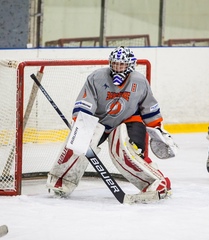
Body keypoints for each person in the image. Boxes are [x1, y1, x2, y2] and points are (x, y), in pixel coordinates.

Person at [46, 46, 177, 199]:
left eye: (122, 64)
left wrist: (156, 128)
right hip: (98, 121)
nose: (118, 67)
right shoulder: (97, 77)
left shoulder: (139, 81)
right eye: (115, 63)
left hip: (128, 121)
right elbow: (85, 102)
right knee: (77, 144)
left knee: (127, 152)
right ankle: (61, 182)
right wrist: (82, 127)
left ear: (130, 65)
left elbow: (148, 106)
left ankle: (157, 182)